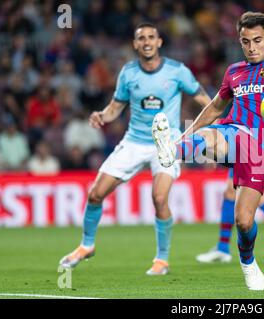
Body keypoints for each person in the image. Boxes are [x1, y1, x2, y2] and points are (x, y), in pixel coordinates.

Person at [152, 12, 264, 290]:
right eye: (245, 41)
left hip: (260, 153)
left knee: (244, 221)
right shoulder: (234, 72)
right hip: (233, 133)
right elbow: (214, 108)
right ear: (240, 41)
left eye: (257, 40)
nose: (251, 47)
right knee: (212, 136)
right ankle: (172, 150)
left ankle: (248, 262)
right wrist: (184, 134)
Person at [59, 22, 211, 275]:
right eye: (142, 38)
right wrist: (102, 116)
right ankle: (87, 245)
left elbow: (204, 99)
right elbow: (116, 107)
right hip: (134, 141)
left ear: (160, 42)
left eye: (152, 37)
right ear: (135, 44)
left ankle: (162, 260)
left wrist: (205, 126)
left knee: (159, 198)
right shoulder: (128, 73)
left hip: (165, 141)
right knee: (95, 194)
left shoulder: (177, 71)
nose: (147, 41)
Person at [195, 38, 264, 264]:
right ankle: (222, 247)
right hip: (246, 140)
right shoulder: (253, 75)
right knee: (230, 192)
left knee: (256, 197)